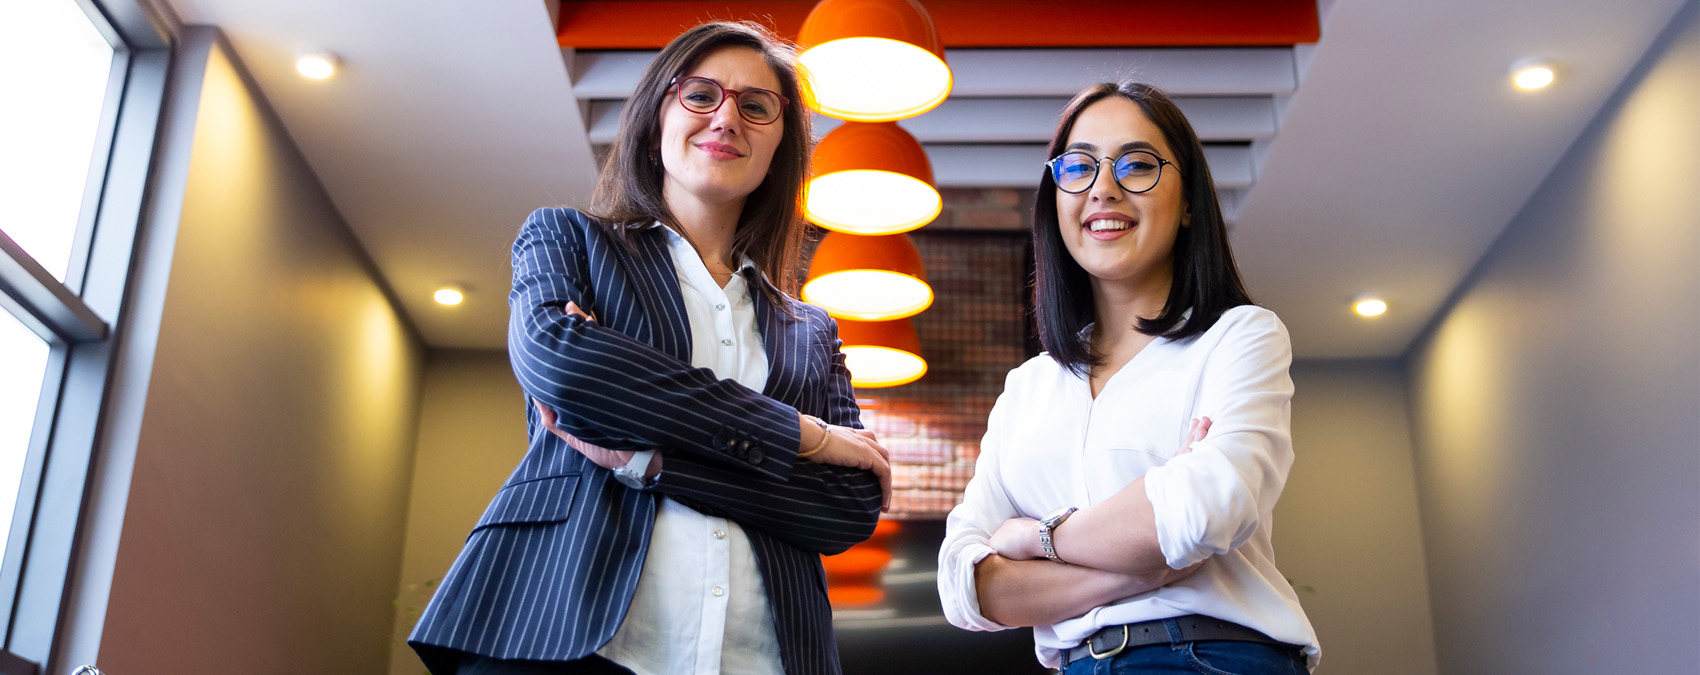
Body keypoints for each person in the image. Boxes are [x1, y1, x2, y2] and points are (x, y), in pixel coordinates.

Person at [408, 21, 892, 675]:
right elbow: (566, 366)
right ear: (655, 117)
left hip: (760, 656)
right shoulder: (568, 241)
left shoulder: (811, 329)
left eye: (756, 106)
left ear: (780, 147)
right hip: (569, 637)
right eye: (701, 95)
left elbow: (845, 507)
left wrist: (649, 460)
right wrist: (801, 435)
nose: (727, 118)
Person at [937, 81, 1321, 674]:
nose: (1103, 189)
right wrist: (1135, 569)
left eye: (1137, 164)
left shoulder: (1239, 337)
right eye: (1078, 167)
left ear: (1188, 202)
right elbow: (966, 587)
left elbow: (1201, 510)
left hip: (1209, 656)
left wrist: (1035, 539)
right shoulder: (1028, 388)